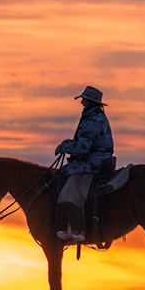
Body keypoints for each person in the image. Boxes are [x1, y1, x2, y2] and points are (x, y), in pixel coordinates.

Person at [53, 85, 113, 243]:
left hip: (92, 163)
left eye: (84, 100)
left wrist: (64, 147)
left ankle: (78, 230)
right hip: (92, 159)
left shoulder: (93, 120)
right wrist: (68, 143)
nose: (82, 103)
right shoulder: (92, 117)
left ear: (90, 102)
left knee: (69, 194)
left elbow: (83, 148)